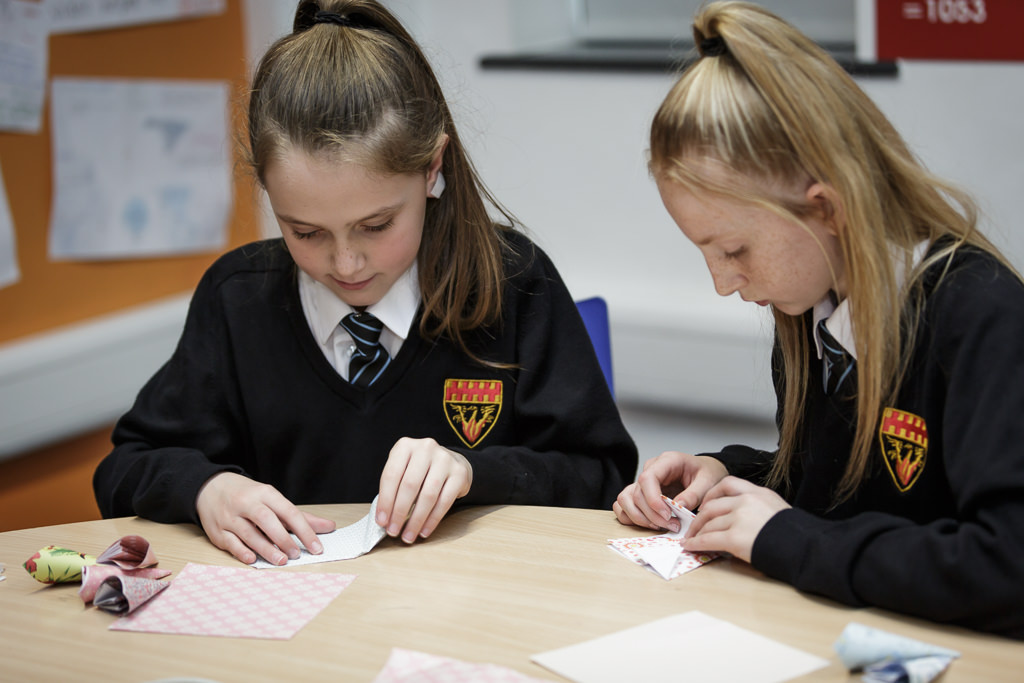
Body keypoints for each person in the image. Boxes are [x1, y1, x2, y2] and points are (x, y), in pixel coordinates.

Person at [95, 0, 636, 568]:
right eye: (304, 231)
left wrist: (473, 472)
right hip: (301, 620)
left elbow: (603, 478)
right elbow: (125, 467)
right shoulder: (237, 299)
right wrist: (206, 489)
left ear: (433, 169)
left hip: (476, 611)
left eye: (376, 226)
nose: (346, 262)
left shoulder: (513, 282)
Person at [614, 1, 1024, 639]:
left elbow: (1006, 565)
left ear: (826, 209)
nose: (723, 283)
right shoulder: (814, 311)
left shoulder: (980, 316)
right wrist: (730, 473)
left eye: (734, 251)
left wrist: (787, 539)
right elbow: (837, 491)